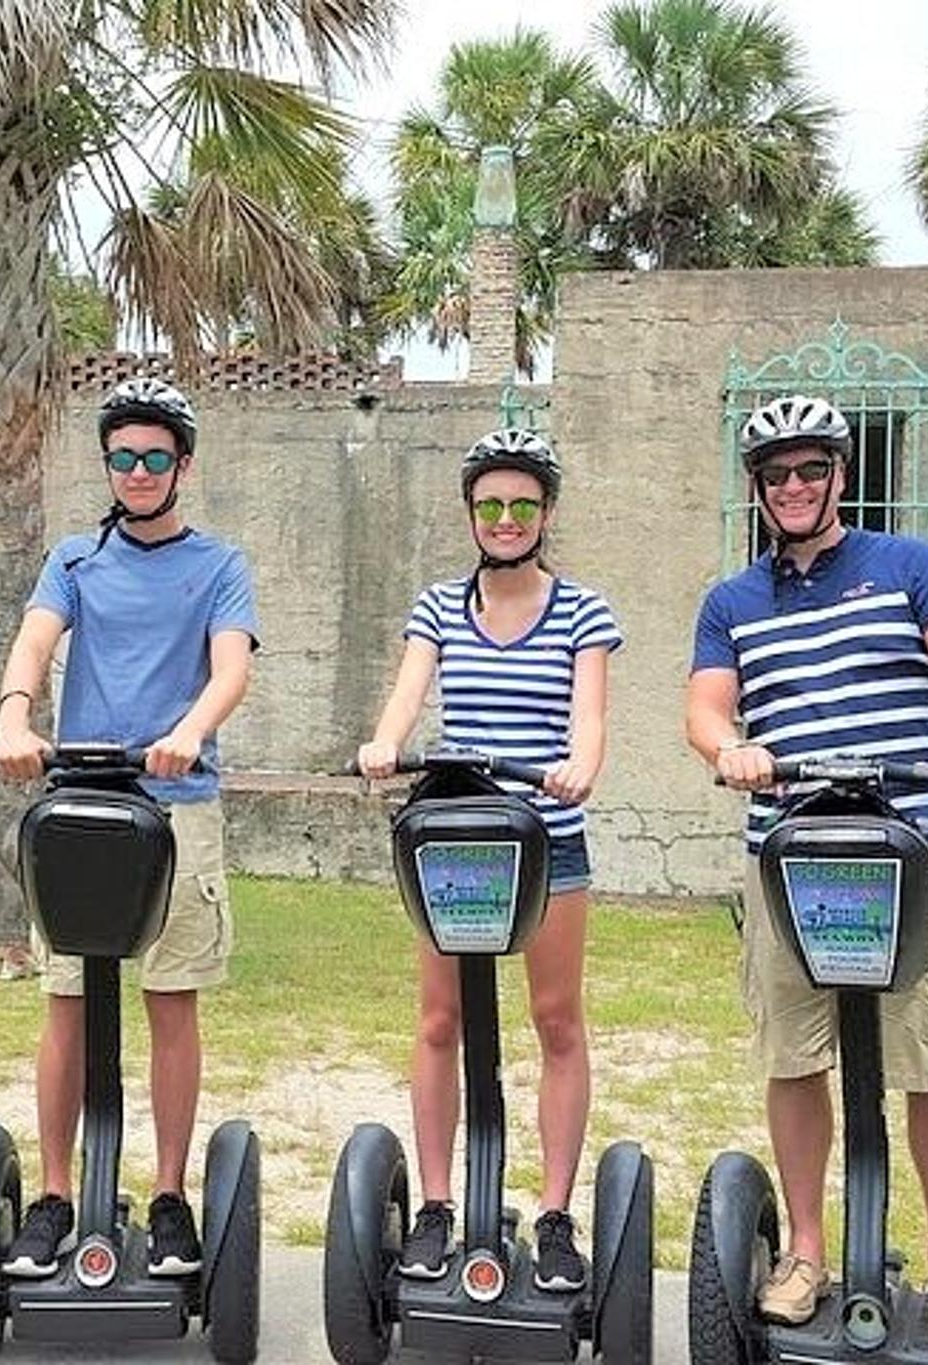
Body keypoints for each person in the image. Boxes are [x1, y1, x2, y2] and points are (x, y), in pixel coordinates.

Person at [683, 394, 928, 1345]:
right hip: (790, 857)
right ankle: (806, 1248)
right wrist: (729, 748)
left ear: (840, 476)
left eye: (809, 469)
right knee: (791, 1054)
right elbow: (705, 708)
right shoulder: (733, 601)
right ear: (759, 488)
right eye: (776, 473)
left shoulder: (907, 566)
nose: (793, 486)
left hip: (907, 849)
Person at [0, 376, 258, 1280]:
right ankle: (57, 1193)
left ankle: (173, 1193)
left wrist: (189, 730)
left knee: (170, 999)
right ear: (107, 464)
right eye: (122, 457)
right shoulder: (75, 558)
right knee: (65, 1000)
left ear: (181, 465)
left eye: (154, 456)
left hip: (176, 806)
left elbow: (229, 670)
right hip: (83, 807)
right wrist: (15, 717)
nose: (137, 470)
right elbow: (34, 640)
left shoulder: (218, 564)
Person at [357, 427, 622, 1294]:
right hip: (461, 839)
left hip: (546, 841)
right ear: (471, 513)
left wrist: (582, 764)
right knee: (439, 1021)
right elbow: (408, 692)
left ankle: (551, 1214)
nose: (505, 520)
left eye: (522, 505)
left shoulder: (581, 609)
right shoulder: (438, 605)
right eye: (490, 506)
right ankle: (436, 1208)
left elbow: (588, 713)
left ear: (545, 512)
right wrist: (384, 743)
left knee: (556, 1021)